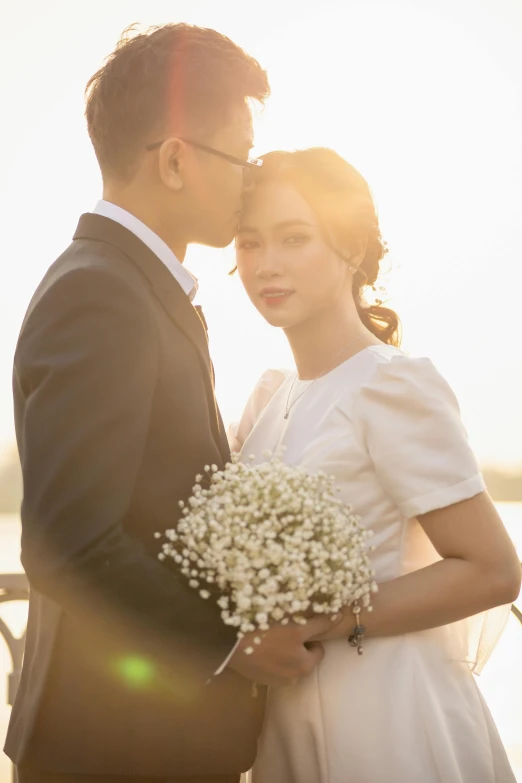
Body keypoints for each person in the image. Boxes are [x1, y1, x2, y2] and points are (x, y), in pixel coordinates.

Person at [5, 26, 336, 783]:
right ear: (178, 159)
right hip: (115, 747)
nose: (252, 178)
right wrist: (235, 640)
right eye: (241, 154)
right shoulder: (102, 294)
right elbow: (66, 543)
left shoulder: (126, 284)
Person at [232, 147, 521, 783]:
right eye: (250, 243)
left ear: (353, 249)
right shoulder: (270, 398)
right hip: (288, 719)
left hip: (390, 718)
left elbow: (493, 571)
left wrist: (326, 621)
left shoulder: (391, 386)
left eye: (294, 238)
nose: (267, 265)